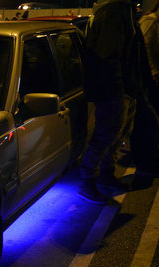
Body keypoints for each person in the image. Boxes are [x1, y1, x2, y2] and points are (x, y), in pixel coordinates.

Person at [80, 0, 158, 203]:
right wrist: (118, 91)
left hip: (125, 88)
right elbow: (109, 56)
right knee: (105, 136)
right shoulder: (115, 11)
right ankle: (88, 181)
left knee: (117, 135)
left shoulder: (123, 9)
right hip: (115, 91)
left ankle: (105, 175)